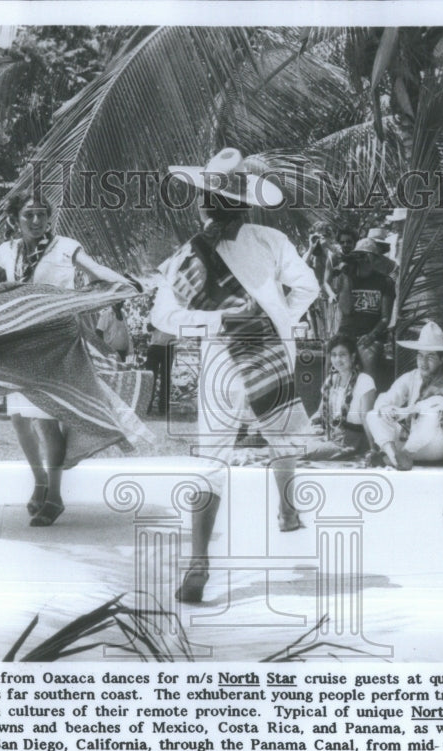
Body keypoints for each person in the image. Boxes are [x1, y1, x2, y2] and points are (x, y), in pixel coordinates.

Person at [150, 147, 319, 604]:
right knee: (283, 436)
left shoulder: (187, 256)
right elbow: (309, 287)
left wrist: (215, 323)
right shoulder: (271, 240)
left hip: (220, 365)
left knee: (212, 464)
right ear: (244, 203)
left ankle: (199, 564)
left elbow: (163, 318)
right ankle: (287, 509)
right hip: (272, 357)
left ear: (205, 203)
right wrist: (280, 320)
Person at [0, 191, 135, 527]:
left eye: (41, 215)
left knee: (48, 418)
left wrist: (121, 283)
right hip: (19, 342)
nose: (36, 221)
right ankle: (39, 482)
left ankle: (54, 495)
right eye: (29, 216)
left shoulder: (66, 246)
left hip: (55, 341)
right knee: (21, 419)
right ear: (14, 220)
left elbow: (95, 269)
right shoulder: (8, 251)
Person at [365, 321, 443, 470]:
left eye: (430, 357)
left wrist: (406, 411)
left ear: (442, 359)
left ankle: (403, 455)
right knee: (373, 415)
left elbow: (442, 403)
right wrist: (387, 408)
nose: (423, 363)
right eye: (420, 356)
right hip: (412, 438)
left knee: (431, 413)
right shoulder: (412, 376)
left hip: (437, 443)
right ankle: (395, 458)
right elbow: (385, 399)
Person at [303, 334, 376, 461]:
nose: (337, 359)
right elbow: (320, 413)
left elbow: (367, 418)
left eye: (342, 355)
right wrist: (305, 429)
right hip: (331, 436)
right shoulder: (331, 380)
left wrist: (373, 448)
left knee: (305, 450)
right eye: (334, 355)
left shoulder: (365, 381)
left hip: (352, 442)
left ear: (352, 357)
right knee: (295, 442)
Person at [336, 238, 396, 378]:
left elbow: (385, 318)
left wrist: (372, 335)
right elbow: (345, 310)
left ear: (376, 259)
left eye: (367, 256)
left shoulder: (385, 282)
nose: (363, 260)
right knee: (333, 366)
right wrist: (346, 275)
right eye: (359, 256)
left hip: (371, 335)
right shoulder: (346, 278)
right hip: (346, 333)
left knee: (367, 371)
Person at [144, 322, 175, 416]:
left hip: (169, 346)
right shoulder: (155, 311)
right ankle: (146, 405)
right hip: (155, 346)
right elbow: (149, 328)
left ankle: (163, 407)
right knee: (150, 378)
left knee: (165, 379)